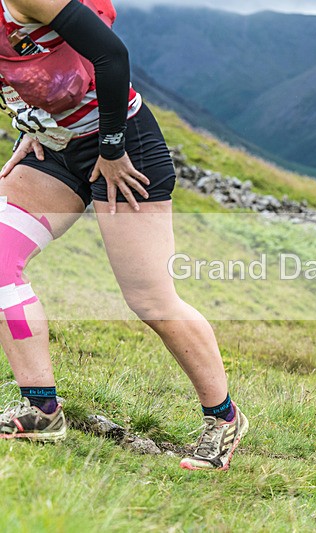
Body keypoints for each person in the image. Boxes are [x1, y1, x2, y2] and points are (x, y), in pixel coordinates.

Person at [0, 0, 247, 470]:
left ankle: (224, 418)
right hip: (54, 150)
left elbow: (111, 55)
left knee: (151, 300)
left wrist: (111, 148)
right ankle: (42, 413)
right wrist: (28, 127)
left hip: (123, 147)